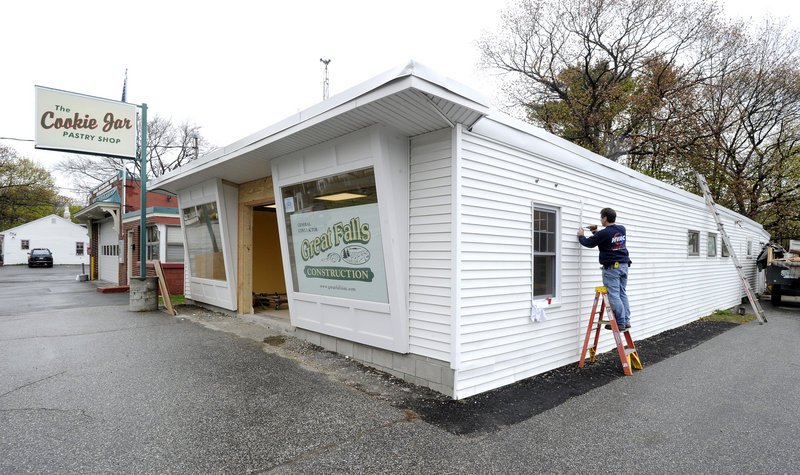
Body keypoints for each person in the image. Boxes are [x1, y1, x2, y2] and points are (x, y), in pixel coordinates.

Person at [577, 208, 632, 331]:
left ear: (605, 218)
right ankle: (626, 320)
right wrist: (598, 233)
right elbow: (609, 237)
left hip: (612, 268)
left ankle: (620, 323)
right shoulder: (622, 229)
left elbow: (588, 243)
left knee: (613, 295)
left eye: (601, 217)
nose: (601, 220)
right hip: (623, 266)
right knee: (622, 292)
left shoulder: (604, 234)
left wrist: (581, 236)